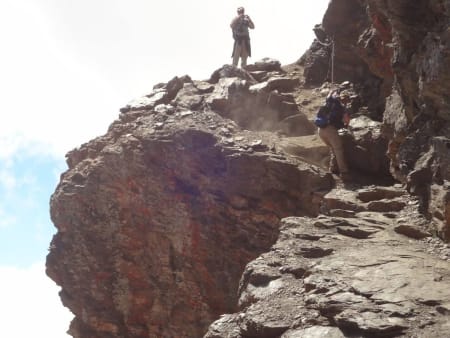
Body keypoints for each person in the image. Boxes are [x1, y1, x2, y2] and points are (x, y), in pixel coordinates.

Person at [318, 90, 351, 181]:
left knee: (333, 149)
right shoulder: (340, 108)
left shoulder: (328, 104)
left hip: (320, 130)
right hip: (330, 130)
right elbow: (346, 121)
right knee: (338, 150)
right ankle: (344, 173)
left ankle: (333, 169)